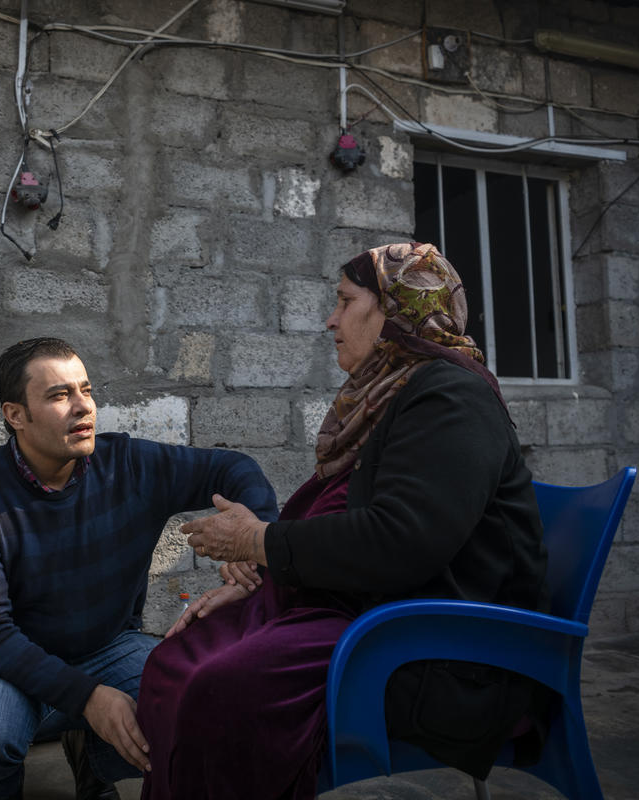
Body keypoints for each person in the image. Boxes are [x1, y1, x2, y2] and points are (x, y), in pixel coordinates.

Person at [136, 242, 550, 800]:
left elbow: (400, 542)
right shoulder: (393, 393)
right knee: (175, 661)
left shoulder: (453, 398)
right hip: (373, 607)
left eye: (345, 301)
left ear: (395, 310)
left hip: (440, 645)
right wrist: (271, 576)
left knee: (224, 687)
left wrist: (259, 542)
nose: (330, 319)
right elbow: (361, 523)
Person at [0, 337, 278, 800]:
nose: (83, 407)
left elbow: (236, 469)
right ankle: (5, 786)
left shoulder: (130, 464)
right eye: (59, 396)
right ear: (15, 415)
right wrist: (89, 698)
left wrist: (251, 537)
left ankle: (94, 763)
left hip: (109, 649)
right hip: (10, 668)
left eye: (86, 390)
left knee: (197, 707)